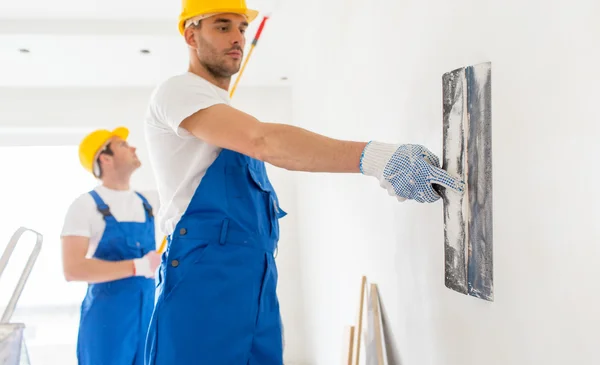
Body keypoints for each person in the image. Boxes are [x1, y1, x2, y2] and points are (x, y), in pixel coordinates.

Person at [142, 0, 465, 363]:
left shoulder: (222, 110)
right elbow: (263, 141)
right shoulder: (179, 91)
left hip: (254, 277)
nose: (237, 38)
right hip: (202, 279)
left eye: (242, 28)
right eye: (222, 26)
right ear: (191, 33)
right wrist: (376, 158)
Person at [60, 127, 162, 365]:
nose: (134, 147)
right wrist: (137, 266)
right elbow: (73, 269)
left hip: (147, 317)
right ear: (104, 158)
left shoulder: (151, 202)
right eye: (123, 145)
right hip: (107, 325)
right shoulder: (85, 205)